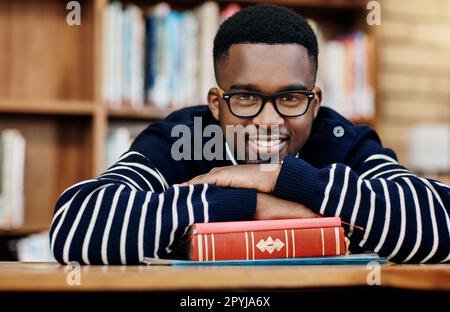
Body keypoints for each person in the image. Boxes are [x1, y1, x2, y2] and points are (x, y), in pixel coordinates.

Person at [50, 4, 449, 264]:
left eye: (291, 98)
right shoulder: (181, 137)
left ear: (315, 102)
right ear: (216, 103)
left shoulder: (343, 138)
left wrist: (280, 178)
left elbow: (443, 223)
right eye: (245, 98)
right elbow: (76, 223)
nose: (267, 121)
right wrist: (248, 204)